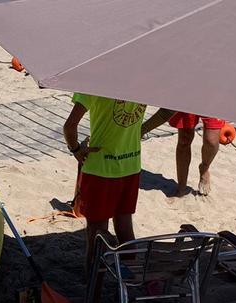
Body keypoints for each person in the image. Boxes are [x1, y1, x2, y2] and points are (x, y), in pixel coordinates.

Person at [63, 94, 173, 281]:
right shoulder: (143, 80)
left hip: (100, 169)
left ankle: (94, 293)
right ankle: (128, 285)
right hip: (131, 164)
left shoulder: (93, 81)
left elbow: (69, 126)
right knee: (124, 227)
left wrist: (75, 150)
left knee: (96, 236)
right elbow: (169, 109)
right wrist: (142, 129)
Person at [169, 112, 224, 197]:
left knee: (211, 141)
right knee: (184, 139)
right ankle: (181, 187)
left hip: (213, 99)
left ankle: (204, 168)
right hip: (188, 99)